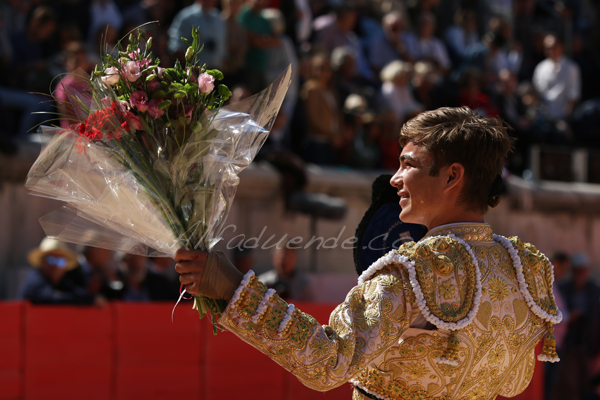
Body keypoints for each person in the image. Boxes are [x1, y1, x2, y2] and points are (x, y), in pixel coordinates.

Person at [174, 107, 562, 400]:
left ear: (451, 176)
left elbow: (328, 362)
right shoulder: (527, 270)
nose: (394, 178)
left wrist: (235, 289)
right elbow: (514, 383)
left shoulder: (415, 270)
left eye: (408, 165)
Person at [20, 238, 106, 307]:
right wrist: (89, 300)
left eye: (61, 261)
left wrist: (92, 297)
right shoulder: (35, 279)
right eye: (51, 260)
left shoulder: (63, 281)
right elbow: (52, 298)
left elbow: (74, 293)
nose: (56, 266)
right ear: (42, 262)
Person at [532, 33, 581, 121]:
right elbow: (537, 91)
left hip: (563, 117)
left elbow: (573, 94)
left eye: (553, 47)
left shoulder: (571, 68)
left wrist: (567, 116)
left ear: (561, 47)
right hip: (543, 118)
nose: (550, 51)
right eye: (547, 48)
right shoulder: (540, 68)